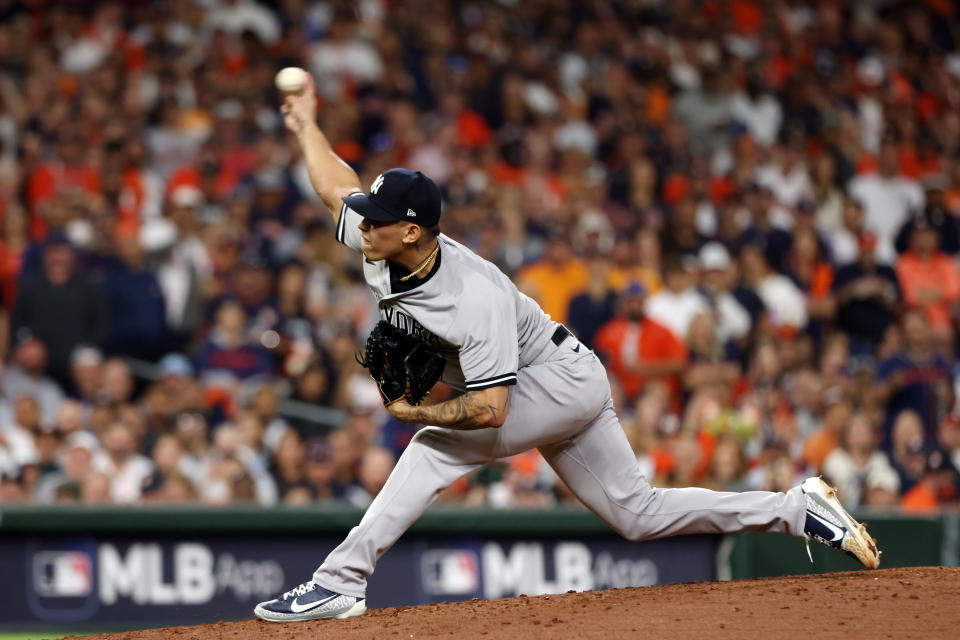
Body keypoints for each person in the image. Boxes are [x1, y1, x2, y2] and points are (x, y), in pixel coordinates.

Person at [254, 76, 881, 624]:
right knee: (639, 514)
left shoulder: (473, 298)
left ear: (411, 229)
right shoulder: (381, 245)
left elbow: (493, 411)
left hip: (552, 381)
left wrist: (418, 413)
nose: (361, 224)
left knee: (432, 448)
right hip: (560, 377)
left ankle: (339, 583)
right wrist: (307, 125)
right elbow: (334, 186)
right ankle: (795, 509)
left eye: (376, 219)